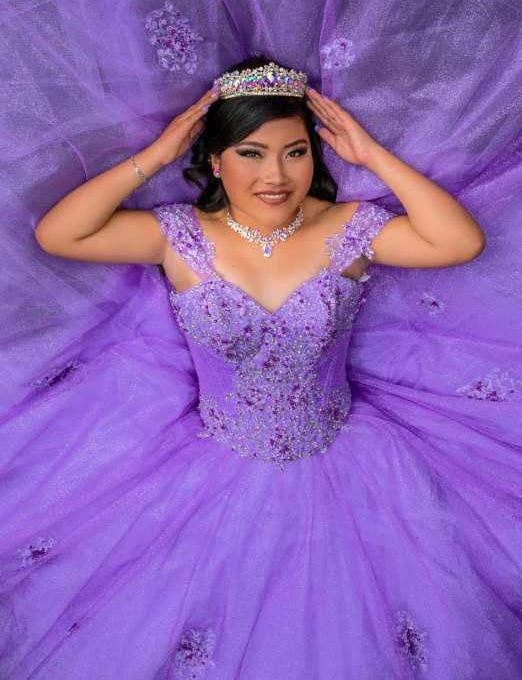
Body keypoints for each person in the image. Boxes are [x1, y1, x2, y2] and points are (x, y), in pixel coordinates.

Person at [17, 55, 500, 679]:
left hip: (348, 468)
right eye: (251, 152)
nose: (275, 174)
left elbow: (460, 243)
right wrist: (159, 157)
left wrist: (372, 155)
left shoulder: (350, 229)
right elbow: (60, 235)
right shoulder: (178, 234)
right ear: (216, 160)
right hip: (209, 470)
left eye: (295, 152)